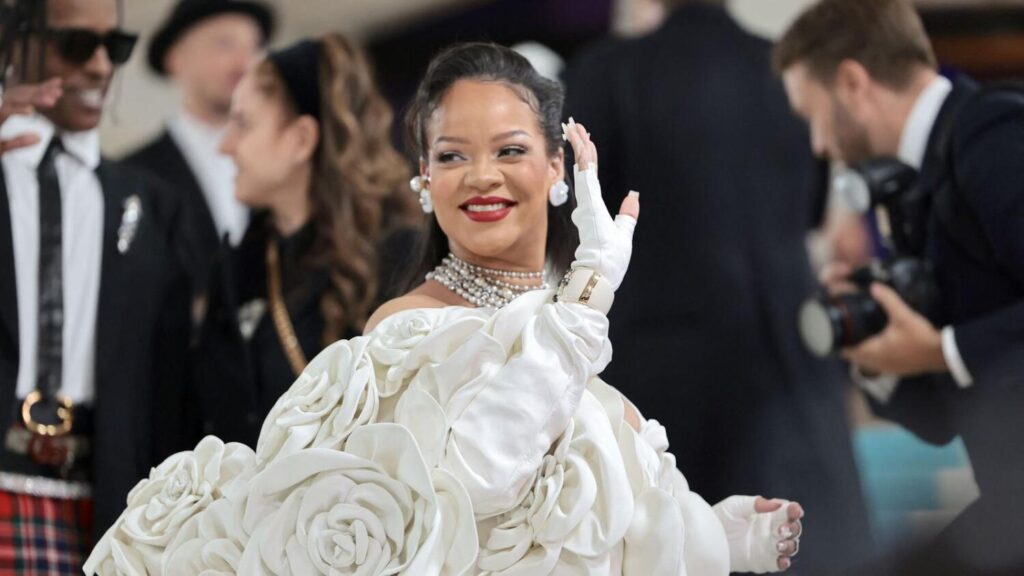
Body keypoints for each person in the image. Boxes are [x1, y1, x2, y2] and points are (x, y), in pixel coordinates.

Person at [86, 42, 804, 576]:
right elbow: (475, 482)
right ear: (424, 178)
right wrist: (587, 298)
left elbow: (595, 529)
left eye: (510, 150)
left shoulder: (565, 323)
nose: (482, 176)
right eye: (454, 156)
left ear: (557, 165)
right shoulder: (407, 328)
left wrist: (724, 536)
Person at [564, 0, 872, 571]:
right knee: (807, 544)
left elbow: (582, 222)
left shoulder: (608, 74)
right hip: (793, 362)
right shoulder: (787, 69)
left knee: (677, 547)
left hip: (666, 382)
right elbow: (810, 209)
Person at [775, 0, 1024, 573]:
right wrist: (877, 355)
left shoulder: (992, 136)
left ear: (852, 82)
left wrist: (941, 350)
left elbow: (955, 359)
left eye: (813, 116)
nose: (818, 145)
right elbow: (940, 423)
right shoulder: (918, 184)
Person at [0, 0, 192, 572]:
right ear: (15, 41)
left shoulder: (154, 206)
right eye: (77, 45)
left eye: (115, 47)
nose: (102, 66)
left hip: (106, 509)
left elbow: (167, 387)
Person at [192, 34, 421, 448]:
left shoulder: (401, 256)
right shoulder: (237, 269)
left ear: (300, 139)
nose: (225, 146)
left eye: (243, 123)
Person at [125, 0, 275, 295]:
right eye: (225, 44)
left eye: (254, 47)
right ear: (176, 59)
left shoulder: (282, 163)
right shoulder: (135, 176)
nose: (244, 64)